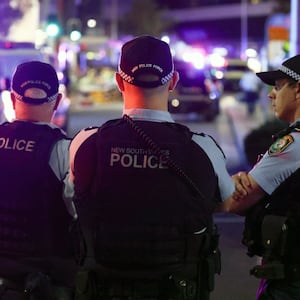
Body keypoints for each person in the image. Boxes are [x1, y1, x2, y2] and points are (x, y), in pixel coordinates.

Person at [68, 35, 234, 300]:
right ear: (174, 81)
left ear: (119, 81)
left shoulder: (84, 144)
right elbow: (227, 204)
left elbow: (72, 202)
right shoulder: (204, 149)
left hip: (102, 288)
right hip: (176, 289)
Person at [0, 61, 77, 300]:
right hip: (43, 281)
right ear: (57, 101)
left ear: (13, 99)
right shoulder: (65, 151)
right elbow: (78, 212)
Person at [228, 54, 300, 300]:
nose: (271, 94)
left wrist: (231, 185)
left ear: (298, 90)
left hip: (291, 282)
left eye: (278, 87)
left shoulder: (293, 144)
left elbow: (237, 202)